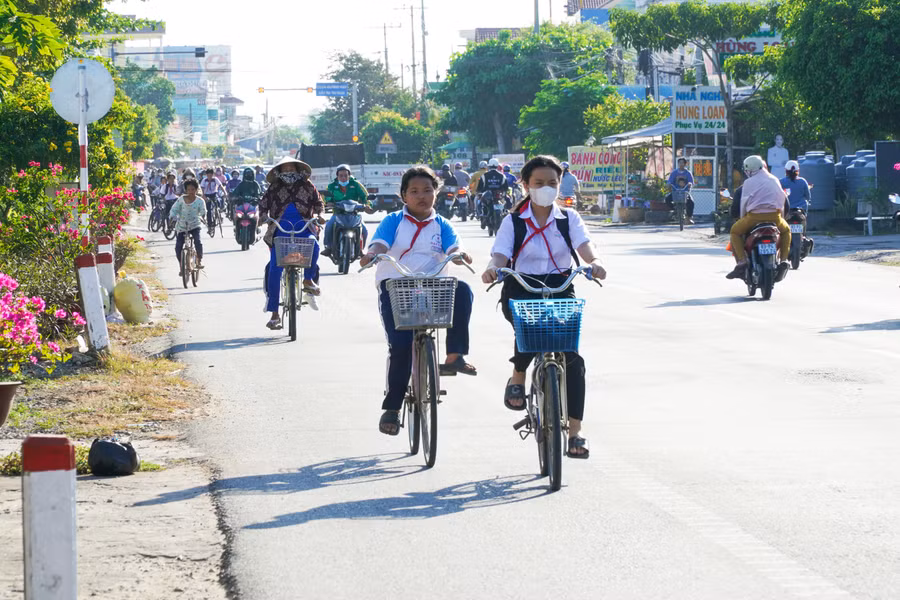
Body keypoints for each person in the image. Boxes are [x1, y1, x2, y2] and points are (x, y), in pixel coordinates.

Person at [481, 155, 607, 459]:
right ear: (526, 185)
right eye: (539, 183)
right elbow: (500, 253)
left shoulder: (569, 218)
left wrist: (595, 262)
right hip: (520, 285)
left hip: (560, 285)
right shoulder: (513, 220)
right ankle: (519, 376)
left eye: (552, 183)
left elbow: (584, 245)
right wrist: (492, 268)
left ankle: (575, 433)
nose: (546, 188)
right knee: (530, 324)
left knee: (574, 360)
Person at [359, 166, 476, 436]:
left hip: (434, 286)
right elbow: (379, 245)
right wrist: (371, 254)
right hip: (396, 287)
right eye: (414, 191)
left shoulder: (442, 224)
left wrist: (460, 255)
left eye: (427, 190)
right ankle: (392, 407)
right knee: (400, 346)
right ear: (403, 196)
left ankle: (455, 355)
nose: (421, 196)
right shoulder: (392, 221)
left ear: (436, 193)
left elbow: (454, 247)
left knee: (463, 289)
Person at [258, 156, 324, 330]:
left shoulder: (307, 185)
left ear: (297, 170)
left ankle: (308, 280)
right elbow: (263, 205)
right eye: (285, 169)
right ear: (279, 172)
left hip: (304, 226)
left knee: (314, 245)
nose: (288, 172)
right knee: (274, 268)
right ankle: (274, 314)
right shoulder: (273, 187)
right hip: (279, 228)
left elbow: (319, 204)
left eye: (291, 169)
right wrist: (263, 217)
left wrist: (319, 215)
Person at [726, 155, 791, 281]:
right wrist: (781, 218)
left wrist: (742, 218)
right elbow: (782, 199)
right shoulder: (774, 179)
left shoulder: (748, 182)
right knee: (786, 231)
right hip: (775, 217)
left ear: (749, 170)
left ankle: (742, 261)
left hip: (754, 217)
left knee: (734, 231)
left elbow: (744, 204)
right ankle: (783, 259)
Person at [322, 164, 371, 257]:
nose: (343, 178)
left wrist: (367, 205)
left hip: (354, 214)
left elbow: (365, 196)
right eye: (341, 175)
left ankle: (361, 249)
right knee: (328, 226)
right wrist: (328, 202)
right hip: (338, 214)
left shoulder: (356, 184)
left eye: (345, 175)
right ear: (337, 176)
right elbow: (324, 197)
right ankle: (328, 247)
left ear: (349, 175)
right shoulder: (331, 186)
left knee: (365, 230)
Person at [171, 179, 206, 276]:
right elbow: (174, 209)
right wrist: (172, 217)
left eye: (193, 189)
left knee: (198, 241)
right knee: (178, 247)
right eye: (189, 189)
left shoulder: (200, 201)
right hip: (182, 226)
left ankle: (199, 260)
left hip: (195, 225)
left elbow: (203, 212)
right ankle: (182, 266)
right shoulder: (181, 199)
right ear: (186, 190)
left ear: (196, 190)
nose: (191, 192)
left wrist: (203, 217)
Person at [665, 158, 695, 224]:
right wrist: (668, 184)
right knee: (667, 199)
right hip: (675, 192)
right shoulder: (674, 173)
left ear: (685, 164)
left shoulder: (688, 173)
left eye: (682, 163)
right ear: (678, 164)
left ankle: (689, 218)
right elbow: (670, 181)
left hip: (685, 192)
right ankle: (674, 210)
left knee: (691, 203)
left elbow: (691, 181)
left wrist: (690, 184)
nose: (681, 164)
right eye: (680, 163)